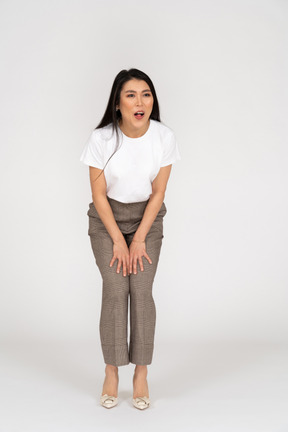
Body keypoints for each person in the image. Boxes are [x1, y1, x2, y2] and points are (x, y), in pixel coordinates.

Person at [80, 68, 181, 409]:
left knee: (140, 290)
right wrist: (119, 240)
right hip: (107, 220)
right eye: (131, 95)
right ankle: (111, 371)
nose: (140, 102)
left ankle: (140, 373)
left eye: (146, 94)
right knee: (115, 288)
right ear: (118, 103)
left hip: (147, 222)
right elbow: (98, 196)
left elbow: (159, 192)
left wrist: (137, 239)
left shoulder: (164, 137)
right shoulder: (102, 139)